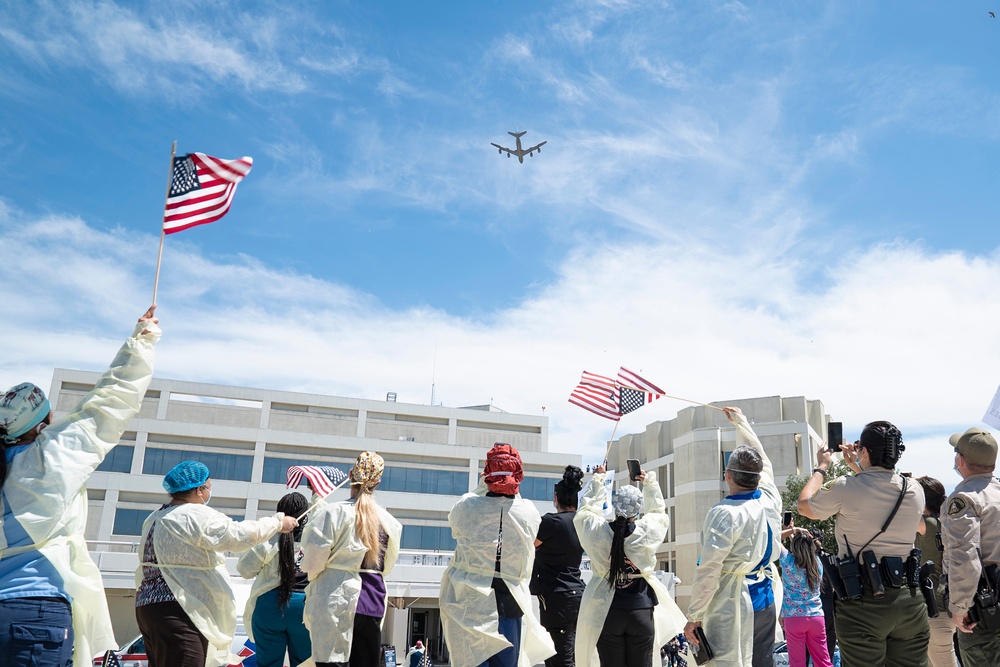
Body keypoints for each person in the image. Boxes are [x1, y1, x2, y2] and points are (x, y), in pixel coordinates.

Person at [0, 306, 159, 667]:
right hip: (35, 610)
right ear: (43, 425)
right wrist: (143, 339)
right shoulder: (48, 459)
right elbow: (108, 402)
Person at [135, 460, 298, 667]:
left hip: (148, 608)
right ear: (199, 490)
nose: (209, 493)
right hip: (181, 607)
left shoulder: (155, 517)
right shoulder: (193, 514)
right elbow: (237, 536)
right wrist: (277, 523)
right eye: (208, 487)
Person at [797, 420, 928, 666]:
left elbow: (804, 505)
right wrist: (860, 468)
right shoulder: (914, 489)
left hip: (863, 602)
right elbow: (883, 491)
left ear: (865, 451)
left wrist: (822, 467)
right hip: (909, 599)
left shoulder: (847, 487)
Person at [439, 443, 555, 667]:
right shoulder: (528, 512)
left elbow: (455, 522)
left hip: (469, 601)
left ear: (486, 475)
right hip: (510, 601)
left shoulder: (467, 507)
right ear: (518, 475)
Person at [684, 406, 783, 667]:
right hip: (767, 599)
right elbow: (765, 462)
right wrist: (741, 424)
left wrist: (695, 615)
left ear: (727, 476)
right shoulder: (770, 498)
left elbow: (709, 568)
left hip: (734, 603)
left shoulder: (725, 513)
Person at [575, 463, 687, 667]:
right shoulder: (646, 532)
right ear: (638, 509)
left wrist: (598, 481)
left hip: (608, 612)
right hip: (641, 611)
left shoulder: (599, 532)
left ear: (615, 506)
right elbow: (659, 513)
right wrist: (649, 484)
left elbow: (584, 513)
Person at [301, 451, 402, 667]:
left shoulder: (331, 513)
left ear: (350, 475)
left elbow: (312, 561)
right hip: (372, 601)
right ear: (378, 483)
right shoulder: (388, 521)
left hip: (333, 597)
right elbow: (389, 564)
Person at [940, 427, 1000, 666]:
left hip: (985, 611)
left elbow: (965, 557)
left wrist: (960, 606)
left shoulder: (964, 499)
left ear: (961, 459)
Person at [237, 491, 312, 667]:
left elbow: (244, 570)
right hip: (304, 606)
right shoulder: (313, 538)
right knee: (305, 663)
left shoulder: (269, 538)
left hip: (269, 605)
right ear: (305, 516)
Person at [531, 464, 586, 667]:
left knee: (558, 657)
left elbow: (530, 546)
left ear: (556, 498)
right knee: (574, 654)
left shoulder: (551, 523)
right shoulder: (582, 522)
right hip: (579, 593)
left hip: (556, 596)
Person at [914, 475, 958, 667]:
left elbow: (895, 507)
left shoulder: (928, 525)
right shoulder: (945, 523)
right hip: (942, 609)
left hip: (935, 613)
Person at [778, 528, 833, 667]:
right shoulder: (817, 564)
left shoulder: (787, 561)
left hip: (793, 618)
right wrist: (796, 536)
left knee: (797, 663)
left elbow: (774, 539)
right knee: (824, 662)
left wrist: (793, 530)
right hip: (816, 617)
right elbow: (803, 549)